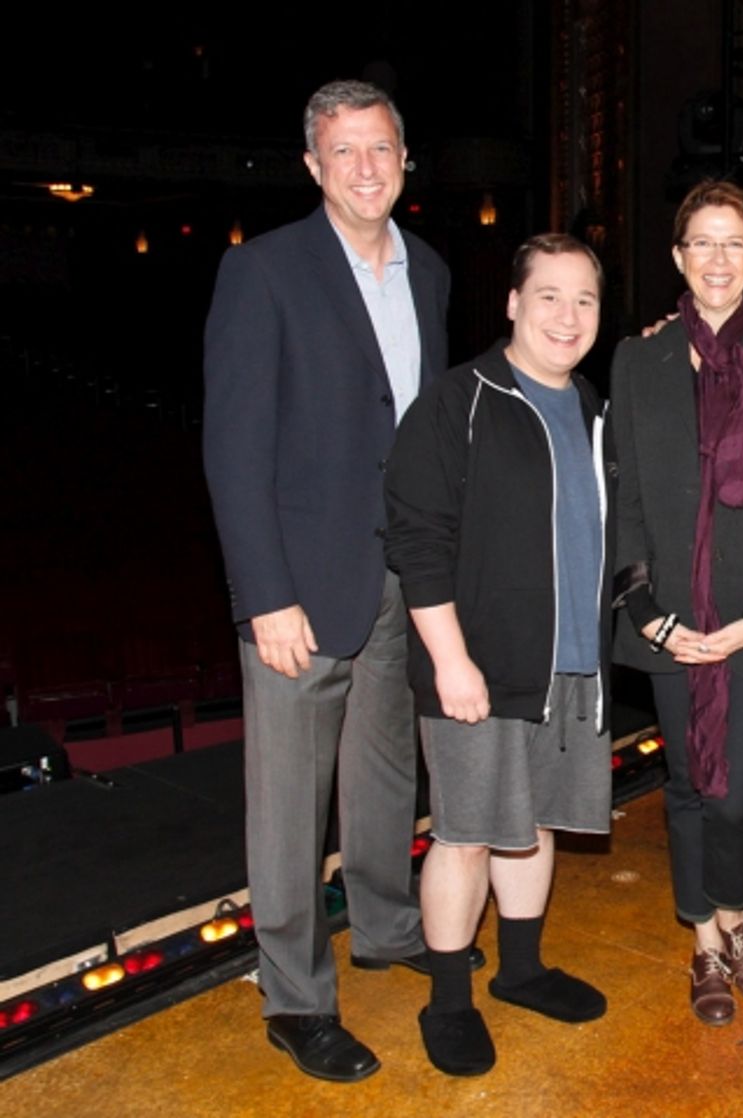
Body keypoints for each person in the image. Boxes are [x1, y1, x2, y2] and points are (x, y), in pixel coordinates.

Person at [203, 79, 474, 1084]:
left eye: (380, 148)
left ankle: (387, 927)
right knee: (288, 804)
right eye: (343, 151)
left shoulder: (430, 270)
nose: (366, 167)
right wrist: (262, 594)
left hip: (398, 572)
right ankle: (295, 998)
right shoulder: (263, 270)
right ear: (314, 166)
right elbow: (233, 451)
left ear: (405, 160)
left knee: (383, 772)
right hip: (299, 586)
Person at [384, 233, 615, 1077]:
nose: (567, 315)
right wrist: (451, 662)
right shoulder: (457, 403)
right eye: (548, 295)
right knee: (467, 835)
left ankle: (521, 971)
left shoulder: (590, 404)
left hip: (571, 666)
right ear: (513, 303)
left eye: (584, 299)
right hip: (477, 669)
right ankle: (448, 1002)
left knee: (534, 822)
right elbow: (418, 544)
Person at [611, 180, 743, 1026]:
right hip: (668, 615)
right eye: (701, 241)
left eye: (734, 242)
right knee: (687, 785)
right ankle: (705, 939)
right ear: (678, 256)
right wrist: (646, 610)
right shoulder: (640, 360)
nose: (718, 258)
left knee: (735, 792)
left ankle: (737, 912)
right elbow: (625, 494)